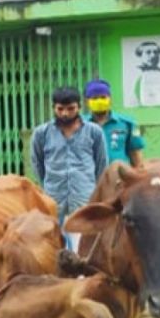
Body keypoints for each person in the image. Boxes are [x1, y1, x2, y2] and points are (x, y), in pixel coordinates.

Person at [30, 86, 107, 249]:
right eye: (60, 109)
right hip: (53, 197)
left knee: (85, 244)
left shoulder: (94, 132)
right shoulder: (41, 133)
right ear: (53, 108)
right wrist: (48, 184)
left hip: (85, 196)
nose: (65, 113)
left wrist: (95, 191)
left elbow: (101, 163)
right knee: (53, 242)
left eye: (71, 109)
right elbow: (37, 163)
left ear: (79, 107)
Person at [84, 79, 145, 166]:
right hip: (90, 173)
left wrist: (139, 171)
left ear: (110, 99)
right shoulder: (80, 125)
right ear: (87, 102)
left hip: (119, 173)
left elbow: (136, 155)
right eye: (95, 98)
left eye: (103, 97)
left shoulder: (127, 123)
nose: (99, 101)